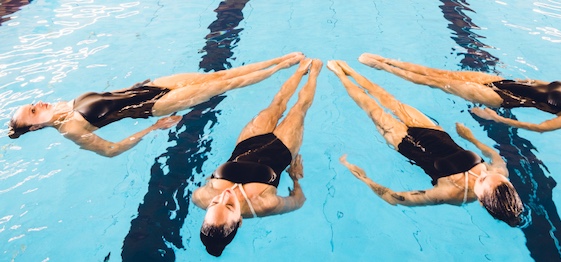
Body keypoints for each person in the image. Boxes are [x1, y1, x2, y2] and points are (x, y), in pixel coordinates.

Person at [327, 60, 523, 227]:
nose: (486, 173)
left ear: (481, 202)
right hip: (433, 132)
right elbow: (494, 155)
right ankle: (351, 71)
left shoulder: (451, 194)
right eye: (493, 174)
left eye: (483, 180)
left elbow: (394, 198)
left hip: (406, 143)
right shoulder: (498, 174)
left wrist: (362, 177)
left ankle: (341, 76)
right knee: (391, 101)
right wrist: (470, 137)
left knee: (372, 109)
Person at [7, 52, 305, 157]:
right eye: (33, 110)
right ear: (35, 125)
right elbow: (111, 151)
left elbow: (108, 95)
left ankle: (277, 61)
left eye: (32, 103)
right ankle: (283, 69)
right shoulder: (70, 129)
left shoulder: (62, 104)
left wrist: (136, 85)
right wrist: (152, 128)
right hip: (153, 107)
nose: (38, 103)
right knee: (225, 85)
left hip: (147, 87)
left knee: (218, 75)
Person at [191, 58, 322, 256]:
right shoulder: (264, 205)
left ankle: (299, 71)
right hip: (282, 150)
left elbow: (210, 180)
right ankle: (314, 73)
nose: (224, 196)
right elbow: (298, 201)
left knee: (276, 104)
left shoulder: (200, 197)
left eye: (215, 203)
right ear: (240, 220)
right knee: (299, 109)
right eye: (229, 205)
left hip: (247, 144)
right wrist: (295, 177)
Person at [358, 53, 561, 132]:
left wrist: (497, 119)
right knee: (445, 74)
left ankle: (383, 68)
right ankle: (388, 60)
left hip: (503, 99)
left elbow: (541, 128)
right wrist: (524, 78)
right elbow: (545, 84)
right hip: (506, 82)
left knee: (436, 83)